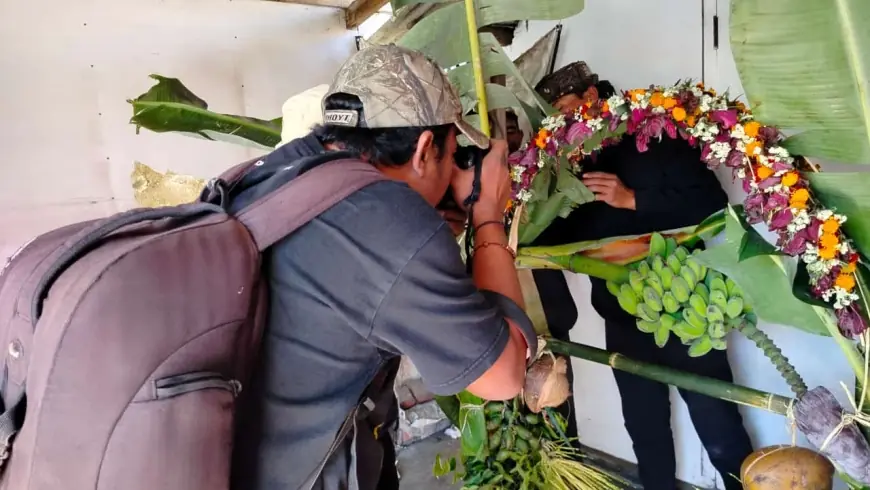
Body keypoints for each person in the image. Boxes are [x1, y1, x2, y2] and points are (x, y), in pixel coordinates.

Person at [229, 44, 537, 490]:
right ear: (425, 147)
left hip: (240, 457)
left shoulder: (279, 169)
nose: (454, 170)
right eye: (453, 155)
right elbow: (504, 376)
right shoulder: (387, 223)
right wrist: (488, 211)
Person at [531, 62, 754, 490]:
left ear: (593, 98)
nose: (561, 123)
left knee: (718, 425)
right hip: (622, 315)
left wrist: (632, 199)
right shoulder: (566, 162)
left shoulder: (652, 132)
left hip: (683, 306)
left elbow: (711, 201)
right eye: (553, 117)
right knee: (645, 430)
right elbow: (559, 234)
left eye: (565, 108)